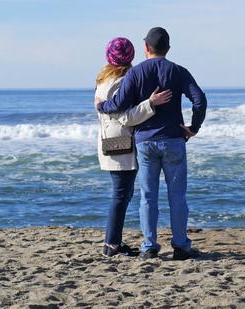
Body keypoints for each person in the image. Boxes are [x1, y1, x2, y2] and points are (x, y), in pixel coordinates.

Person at [96, 27, 207, 260]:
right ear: (168, 48)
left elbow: (118, 105)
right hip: (174, 140)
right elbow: (199, 99)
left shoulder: (135, 73)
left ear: (146, 48)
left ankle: (149, 247)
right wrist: (193, 127)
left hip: (145, 142)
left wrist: (101, 106)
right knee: (177, 196)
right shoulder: (178, 71)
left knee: (148, 196)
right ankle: (180, 245)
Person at [94, 37, 173, 257]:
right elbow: (125, 117)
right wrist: (151, 104)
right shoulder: (121, 80)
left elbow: (106, 111)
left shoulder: (103, 79)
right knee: (121, 194)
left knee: (122, 193)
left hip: (108, 140)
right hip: (122, 142)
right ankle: (111, 245)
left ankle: (113, 242)